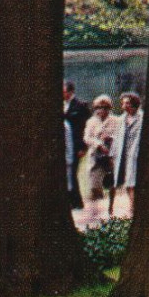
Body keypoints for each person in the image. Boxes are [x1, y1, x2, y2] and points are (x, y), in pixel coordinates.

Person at [81, 95, 120, 227]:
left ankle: (111, 208)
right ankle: (94, 213)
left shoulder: (115, 120)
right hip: (96, 157)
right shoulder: (91, 122)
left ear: (109, 108)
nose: (101, 110)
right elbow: (86, 138)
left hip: (111, 156)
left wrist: (110, 138)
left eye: (104, 108)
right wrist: (98, 144)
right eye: (98, 107)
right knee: (94, 185)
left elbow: (120, 135)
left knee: (111, 183)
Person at [112, 92, 143, 217]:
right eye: (123, 103)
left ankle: (133, 208)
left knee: (133, 182)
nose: (124, 106)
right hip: (124, 154)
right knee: (127, 181)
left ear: (133, 104)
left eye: (127, 103)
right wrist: (112, 154)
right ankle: (132, 206)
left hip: (136, 154)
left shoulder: (141, 118)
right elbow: (117, 137)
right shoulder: (121, 120)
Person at [62, 81, 90, 210]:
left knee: (72, 172)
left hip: (76, 145)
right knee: (67, 173)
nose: (63, 94)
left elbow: (85, 128)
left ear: (70, 91)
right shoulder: (62, 105)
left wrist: (83, 147)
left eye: (65, 91)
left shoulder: (81, 106)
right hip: (66, 144)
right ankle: (71, 200)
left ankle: (77, 202)